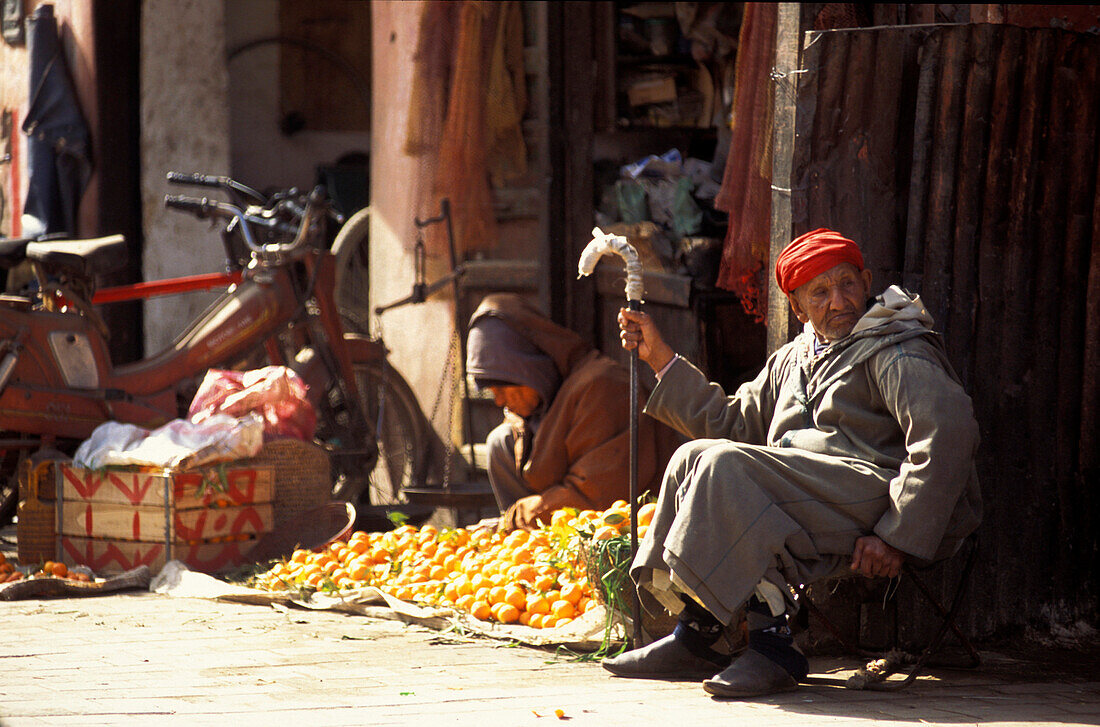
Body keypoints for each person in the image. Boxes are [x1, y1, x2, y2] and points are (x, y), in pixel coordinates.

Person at [603, 228, 982, 698]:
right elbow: (732, 425)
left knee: (730, 469)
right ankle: (701, 633)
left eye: (847, 284)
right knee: (692, 456)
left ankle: (775, 647)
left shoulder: (896, 347)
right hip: (812, 496)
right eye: (819, 293)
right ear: (798, 308)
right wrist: (658, 356)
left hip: (878, 495)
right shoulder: (796, 356)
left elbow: (947, 436)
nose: (838, 301)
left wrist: (897, 535)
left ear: (865, 283)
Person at [466, 293, 679, 532]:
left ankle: (527, 535)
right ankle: (525, 542)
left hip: (633, 518)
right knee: (501, 441)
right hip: (563, 501)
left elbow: (597, 494)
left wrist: (514, 519)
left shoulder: (604, 387)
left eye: (503, 388)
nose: (499, 401)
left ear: (530, 369)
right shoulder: (541, 399)